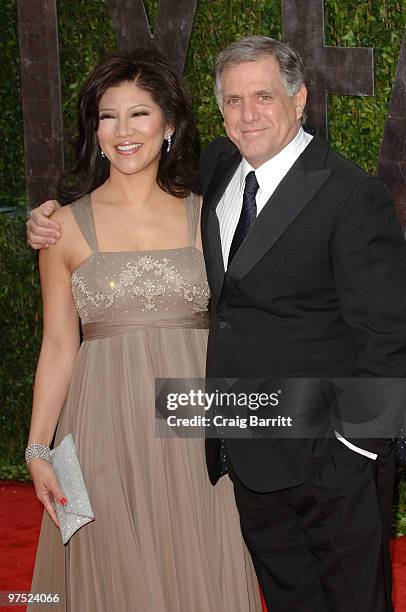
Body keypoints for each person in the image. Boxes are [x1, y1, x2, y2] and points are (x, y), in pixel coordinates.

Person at [27, 37, 406, 612]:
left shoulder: (337, 195)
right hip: (169, 435)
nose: (247, 114)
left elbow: (388, 334)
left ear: (300, 100)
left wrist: (357, 449)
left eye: (263, 96)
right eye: (233, 100)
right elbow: (59, 343)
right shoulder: (217, 176)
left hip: (283, 447)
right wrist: (38, 449)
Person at [25, 49, 261, 611]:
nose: (123, 131)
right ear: (94, 129)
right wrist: (38, 449)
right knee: (106, 570)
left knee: (206, 562)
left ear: (170, 125)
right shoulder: (60, 226)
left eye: (140, 114)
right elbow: (59, 344)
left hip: (195, 425)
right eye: (108, 116)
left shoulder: (210, 216)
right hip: (100, 424)